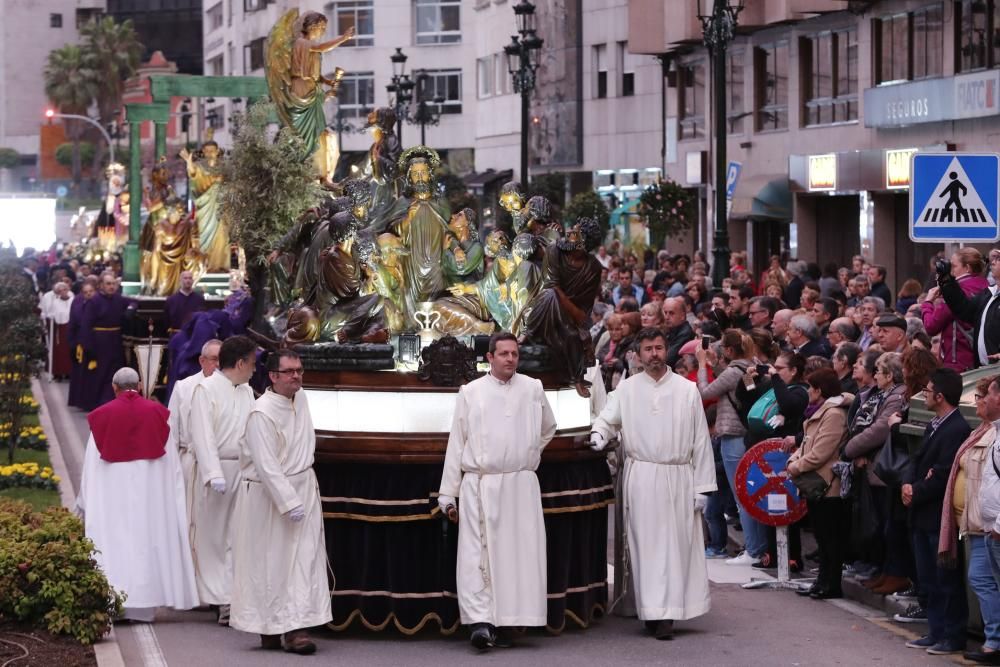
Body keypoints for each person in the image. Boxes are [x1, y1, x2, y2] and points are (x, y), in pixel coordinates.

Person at [591, 327, 715, 640]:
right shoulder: (628, 388)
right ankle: (651, 609)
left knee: (675, 546)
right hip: (642, 476)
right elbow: (607, 418)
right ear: (638, 354)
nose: (655, 354)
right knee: (644, 545)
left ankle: (668, 613)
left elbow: (700, 441)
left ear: (666, 350)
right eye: (648, 349)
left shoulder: (687, 391)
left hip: (678, 476)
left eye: (659, 347)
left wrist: (702, 488)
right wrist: (598, 435)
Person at [438, 333, 556, 651]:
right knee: (478, 556)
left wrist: (527, 452)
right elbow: (457, 442)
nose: (510, 359)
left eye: (514, 354)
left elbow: (548, 427)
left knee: (518, 555)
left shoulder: (533, 389)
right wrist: (447, 493)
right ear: (489, 357)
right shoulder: (471, 392)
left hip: (520, 485)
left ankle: (511, 620)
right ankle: (480, 622)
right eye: (503, 354)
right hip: (480, 483)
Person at [76, 367, 199, 622]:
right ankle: (143, 606)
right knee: (146, 543)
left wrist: (84, 500)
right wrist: (172, 498)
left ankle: (113, 602)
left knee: (115, 544)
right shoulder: (158, 415)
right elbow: (171, 465)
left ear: (114, 387)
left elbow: (90, 465)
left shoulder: (101, 418)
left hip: (111, 496)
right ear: (140, 386)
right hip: (149, 497)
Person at [231, 350, 331, 654]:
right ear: (273, 376)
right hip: (271, 498)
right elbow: (266, 464)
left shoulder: (301, 399)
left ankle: (296, 627)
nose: (296, 376)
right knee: (271, 563)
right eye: (289, 371)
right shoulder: (261, 413)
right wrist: (289, 501)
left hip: (302, 486)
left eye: (299, 370)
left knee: (303, 560)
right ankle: (271, 627)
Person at [188, 335, 257, 625]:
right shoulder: (206, 389)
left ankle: (234, 597)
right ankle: (220, 599)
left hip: (242, 470)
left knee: (237, 537)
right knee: (214, 538)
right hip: (217, 473)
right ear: (240, 363)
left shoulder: (247, 391)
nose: (255, 369)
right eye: (252, 363)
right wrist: (213, 473)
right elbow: (202, 433)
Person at [903, 368, 972, 656]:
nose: (925, 395)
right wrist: (908, 482)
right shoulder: (934, 424)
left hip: (937, 515)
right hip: (920, 511)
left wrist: (916, 490)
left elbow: (943, 473)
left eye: (928, 391)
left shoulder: (957, 428)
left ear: (940, 396)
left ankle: (952, 635)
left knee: (946, 579)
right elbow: (917, 458)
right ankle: (936, 631)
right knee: (928, 577)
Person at [940, 375, 1000, 665]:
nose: (979, 402)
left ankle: (994, 642)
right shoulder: (984, 431)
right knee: (981, 579)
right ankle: (993, 640)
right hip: (979, 523)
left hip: (990, 525)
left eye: (983, 396)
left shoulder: (993, 435)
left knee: (987, 580)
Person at [695, 330, 765, 564]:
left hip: (733, 436)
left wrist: (703, 365)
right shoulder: (749, 367)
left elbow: (704, 392)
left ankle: (753, 550)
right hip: (747, 434)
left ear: (728, 350)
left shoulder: (734, 371)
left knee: (741, 495)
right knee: (750, 493)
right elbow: (733, 387)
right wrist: (715, 365)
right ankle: (757, 548)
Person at [787, 368, 853, 599]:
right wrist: (794, 458)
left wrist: (795, 466)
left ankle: (831, 584)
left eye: (810, 387)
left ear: (819, 390)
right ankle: (821, 581)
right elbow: (807, 444)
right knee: (821, 537)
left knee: (830, 538)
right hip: (815, 483)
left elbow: (821, 452)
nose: (807, 392)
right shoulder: (820, 411)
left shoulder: (833, 414)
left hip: (827, 483)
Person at [166, 339, 221, 527]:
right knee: (188, 517)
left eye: (222, 359)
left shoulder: (232, 388)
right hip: (189, 461)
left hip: (219, 464)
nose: (218, 364)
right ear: (201, 361)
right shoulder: (184, 387)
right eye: (214, 359)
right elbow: (172, 429)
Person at [923, 248, 989, 372]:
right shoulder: (989, 288)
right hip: (983, 361)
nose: (949, 270)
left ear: (967, 268)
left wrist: (927, 303)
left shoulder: (956, 292)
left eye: (953, 266)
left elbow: (931, 326)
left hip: (959, 363)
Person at [77, 272, 135, 410]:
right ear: (101, 285)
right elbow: (85, 326)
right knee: (99, 374)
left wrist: (130, 309)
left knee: (114, 373)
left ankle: (113, 402)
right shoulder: (94, 301)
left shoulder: (119, 299)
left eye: (114, 284)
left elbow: (133, 302)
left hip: (115, 341)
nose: (111, 287)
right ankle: (98, 403)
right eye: (108, 284)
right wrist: (89, 348)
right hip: (99, 343)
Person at [940, 248, 1000, 368]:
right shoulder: (989, 293)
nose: (993, 262)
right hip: (983, 368)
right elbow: (964, 310)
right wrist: (947, 279)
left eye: (998, 259)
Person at [43, 281, 73, 379]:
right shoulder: (55, 302)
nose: (63, 292)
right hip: (59, 330)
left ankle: (69, 372)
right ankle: (58, 372)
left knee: (69, 351)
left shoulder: (73, 300)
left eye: (65, 289)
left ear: (68, 290)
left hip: (71, 329)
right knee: (59, 351)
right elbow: (51, 314)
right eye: (60, 290)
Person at [164, 270, 206, 334]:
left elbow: (203, 318)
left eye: (190, 278)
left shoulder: (199, 299)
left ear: (192, 281)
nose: (188, 281)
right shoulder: (171, 300)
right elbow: (167, 320)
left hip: (195, 335)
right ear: (180, 281)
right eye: (185, 278)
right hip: (177, 335)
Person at [662, 296, 694, 368]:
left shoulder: (685, 333)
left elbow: (668, 359)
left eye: (671, 313)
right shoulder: (669, 329)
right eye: (665, 313)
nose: (666, 317)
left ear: (682, 316)